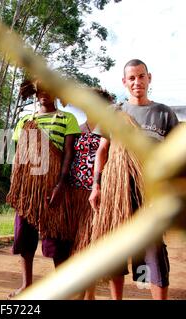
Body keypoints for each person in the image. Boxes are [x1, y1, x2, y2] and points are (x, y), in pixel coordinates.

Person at [89, 59, 179, 300]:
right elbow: (102, 151)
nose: (136, 82)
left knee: (153, 250)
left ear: (149, 77)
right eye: (131, 78)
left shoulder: (164, 113)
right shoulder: (114, 113)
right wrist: (96, 186)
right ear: (124, 82)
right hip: (117, 189)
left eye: (141, 76)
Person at [6, 78, 80, 298]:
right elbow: (19, 156)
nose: (45, 93)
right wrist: (18, 187)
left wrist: (61, 184)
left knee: (58, 240)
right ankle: (27, 284)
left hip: (53, 187)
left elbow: (69, 154)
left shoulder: (67, 119)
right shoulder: (25, 120)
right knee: (24, 237)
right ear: (35, 94)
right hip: (28, 189)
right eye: (41, 90)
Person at [69, 88, 114, 300]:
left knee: (91, 243)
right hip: (76, 192)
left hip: (98, 193)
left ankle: (90, 294)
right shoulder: (77, 128)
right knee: (77, 244)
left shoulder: (109, 130)